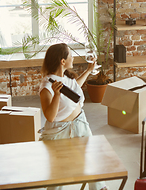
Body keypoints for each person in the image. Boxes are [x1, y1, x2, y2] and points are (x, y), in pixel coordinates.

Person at [38, 43, 107, 190]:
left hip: (80, 124)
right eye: (70, 54)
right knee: (59, 171)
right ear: (62, 61)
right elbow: (49, 116)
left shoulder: (65, 77)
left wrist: (89, 70)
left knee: (91, 159)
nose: (73, 57)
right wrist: (56, 95)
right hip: (59, 130)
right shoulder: (47, 85)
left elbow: (75, 88)